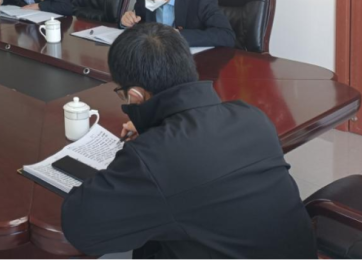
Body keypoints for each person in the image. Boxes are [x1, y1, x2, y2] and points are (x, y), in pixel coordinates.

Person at [61, 23, 316, 258]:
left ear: (136, 96)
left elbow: (80, 228)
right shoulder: (252, 117)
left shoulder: (153, 157)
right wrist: (156, 128)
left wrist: (149, 143)